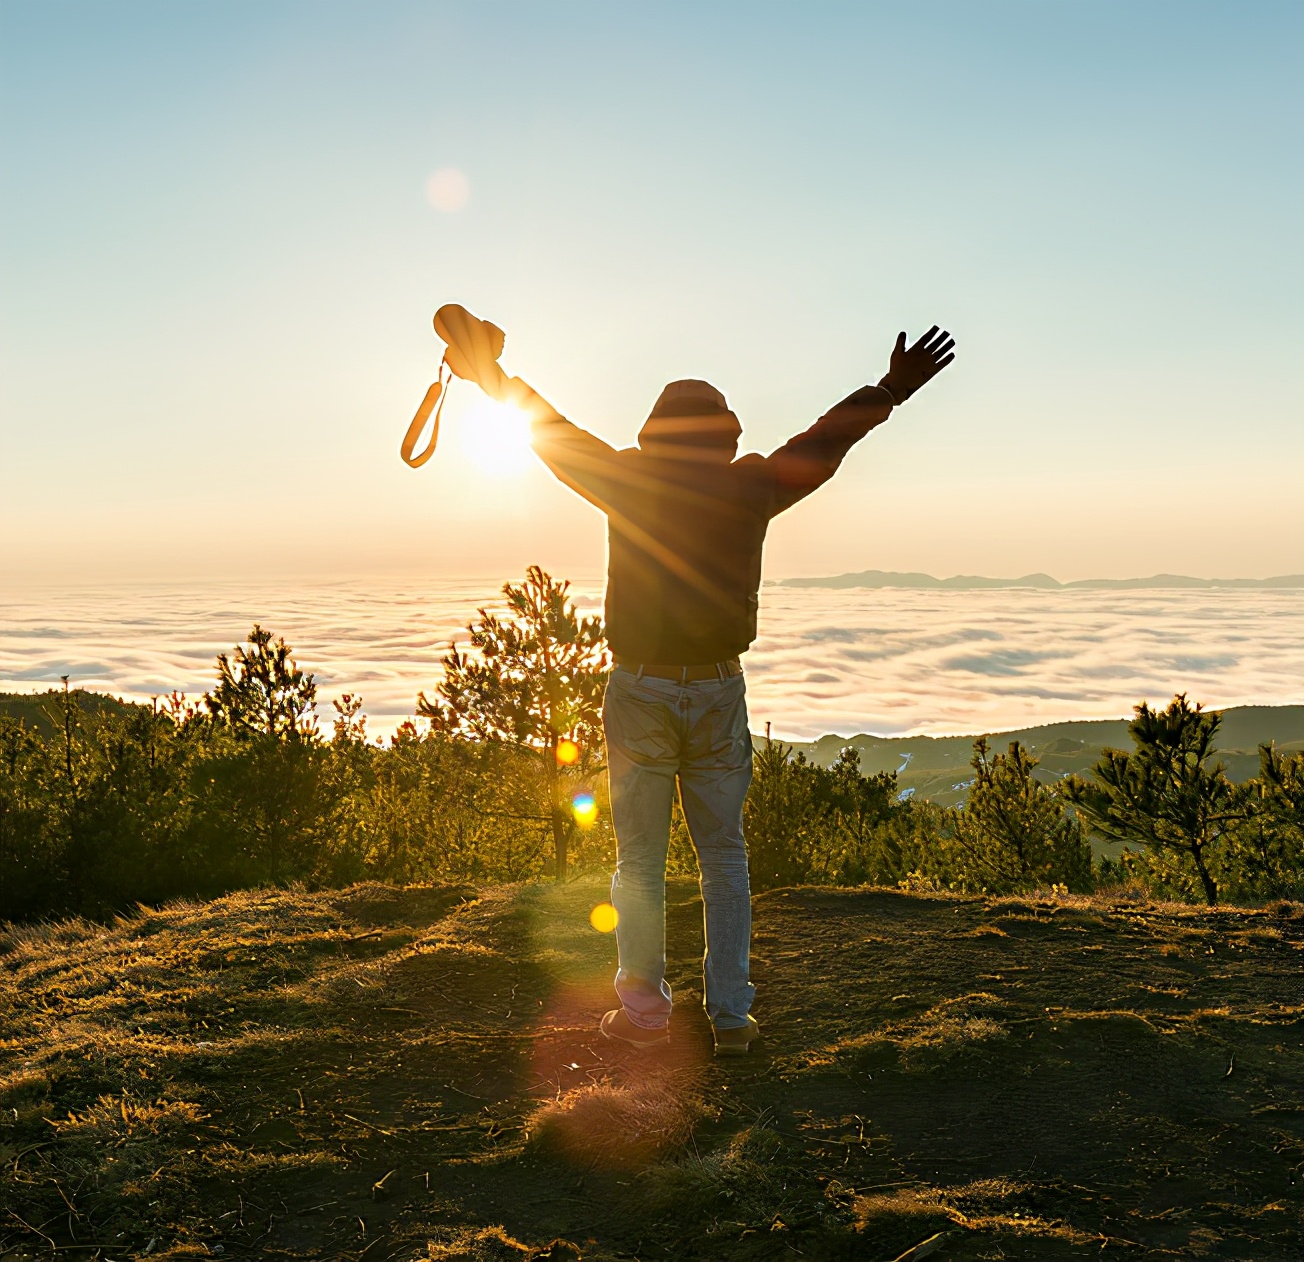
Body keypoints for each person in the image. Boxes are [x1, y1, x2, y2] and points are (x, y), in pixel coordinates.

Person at [503, 327, 955, 1055]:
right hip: (717, 688)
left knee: (640, 861)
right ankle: (731, 1017)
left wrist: (493, 374)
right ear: (727, 436)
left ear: (652, 436)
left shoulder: (627, 477)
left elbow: (554, 435)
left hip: (641, 687)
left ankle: (645, 1017)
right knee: (726, 860)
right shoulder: (752, 485)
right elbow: (825, 441)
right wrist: (893, 386)